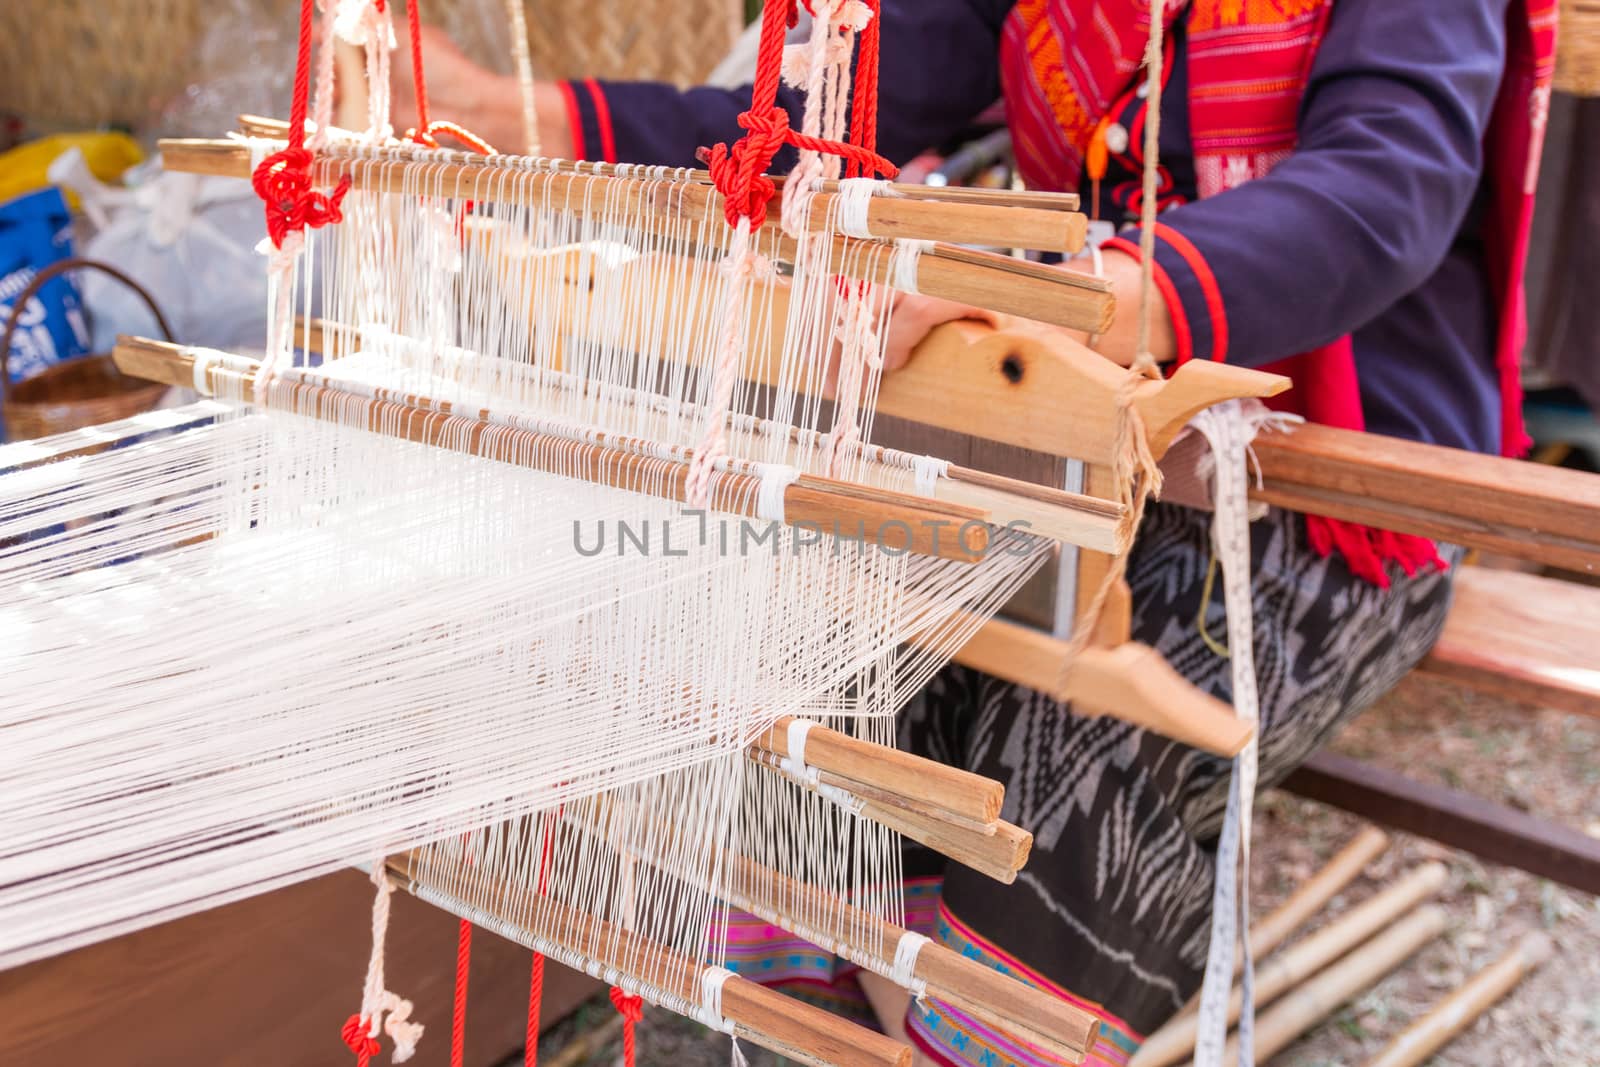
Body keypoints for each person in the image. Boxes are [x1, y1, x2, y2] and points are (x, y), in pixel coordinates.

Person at [393, 3, 1556, 1063]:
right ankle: (854, 1026)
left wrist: (1080, 295)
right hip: (1061, 435)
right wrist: (501, 116)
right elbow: (813, 122)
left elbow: (1387, 181)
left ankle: (964, 1031)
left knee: (1072, 749)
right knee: (820, 671)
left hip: (1325, 482)